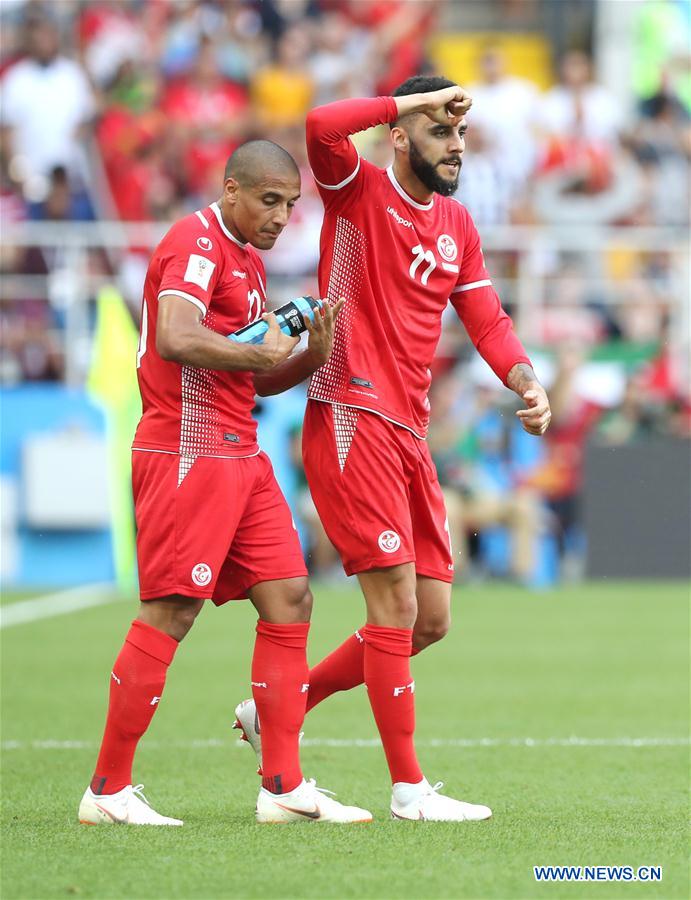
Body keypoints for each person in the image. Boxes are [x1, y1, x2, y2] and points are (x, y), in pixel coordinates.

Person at [234, 78, 551, 822]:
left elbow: (486, 317)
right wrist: (413, 100)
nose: (455, 145)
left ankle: (282, 706)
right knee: (395, 603)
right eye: (440, 130)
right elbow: (321, 123)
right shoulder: (356, 190)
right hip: (350, 413)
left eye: (460, 133)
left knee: (429, 619)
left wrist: (525, 379)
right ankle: (409, 789)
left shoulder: (457, 223)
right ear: (401, 136)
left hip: (409, 429)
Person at [79, 140, 371, 827]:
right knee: (172, 611)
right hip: (188, 447)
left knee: (290, 598)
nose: (280, 217)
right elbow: (174, 337)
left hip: (240, 449)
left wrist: (310, 356)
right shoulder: (197, 242)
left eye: (290, 205)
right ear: (231, 188)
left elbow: (254, 376)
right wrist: (257, 352)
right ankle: (107, 790)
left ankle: (282, 786)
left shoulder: (244, 259)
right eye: (269, 201)